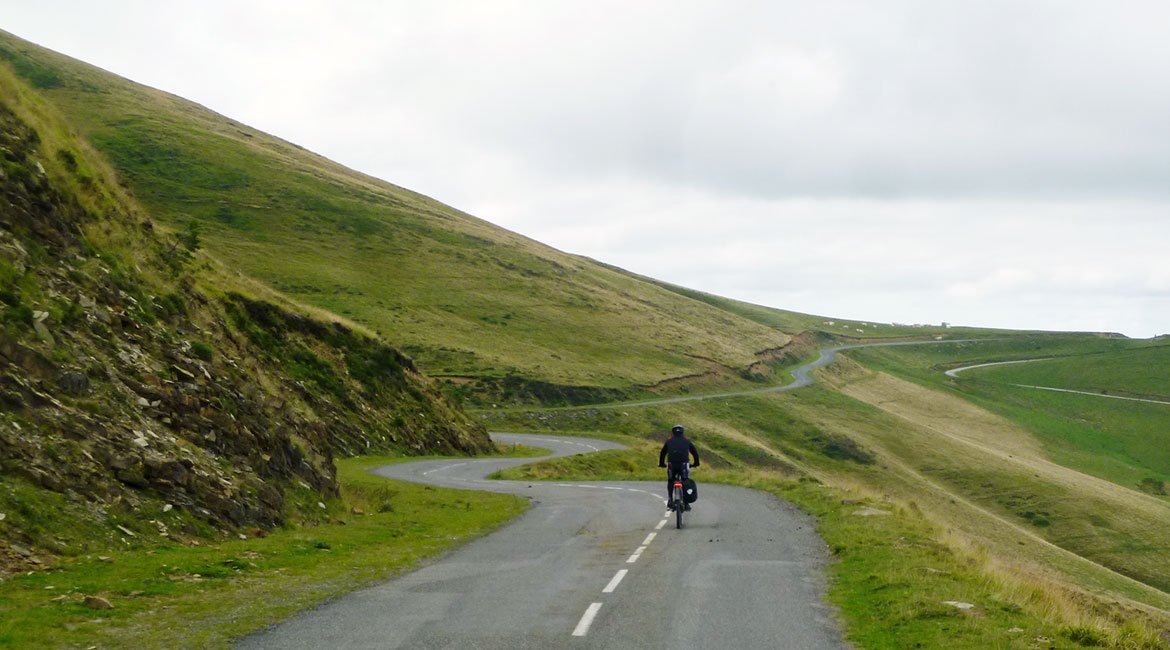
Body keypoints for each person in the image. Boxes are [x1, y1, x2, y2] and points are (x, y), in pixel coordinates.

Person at [659, 424, 700, 510]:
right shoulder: (687, 441)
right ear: (682, 432)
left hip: (672, 465)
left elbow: (663, 453)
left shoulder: (669, 441)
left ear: (673, 432)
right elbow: (695, 452)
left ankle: (670, 500)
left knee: (670, 481)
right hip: (684, 465)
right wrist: (696, 463)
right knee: (685, 480)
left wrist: (662, 463)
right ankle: (686, 503)